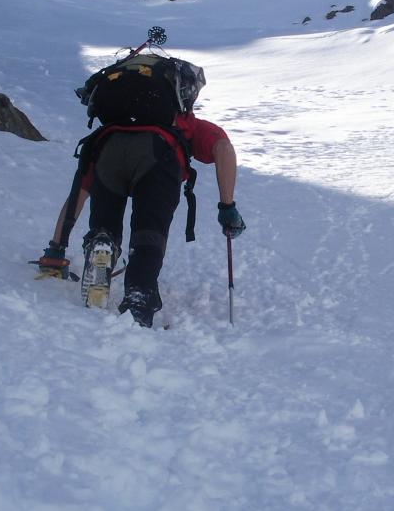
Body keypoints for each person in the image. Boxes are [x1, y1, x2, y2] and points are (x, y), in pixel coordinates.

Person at [38, 57, 245, 326]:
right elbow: (223, 149)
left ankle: (103, 243)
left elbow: (80, 191)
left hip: (108, 151)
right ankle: (139, 293)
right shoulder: (185, 123)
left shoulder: (109, 129)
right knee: (149, 231)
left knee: (105, 220)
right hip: (157, 156)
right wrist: (227, 206)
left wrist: (56, 249)